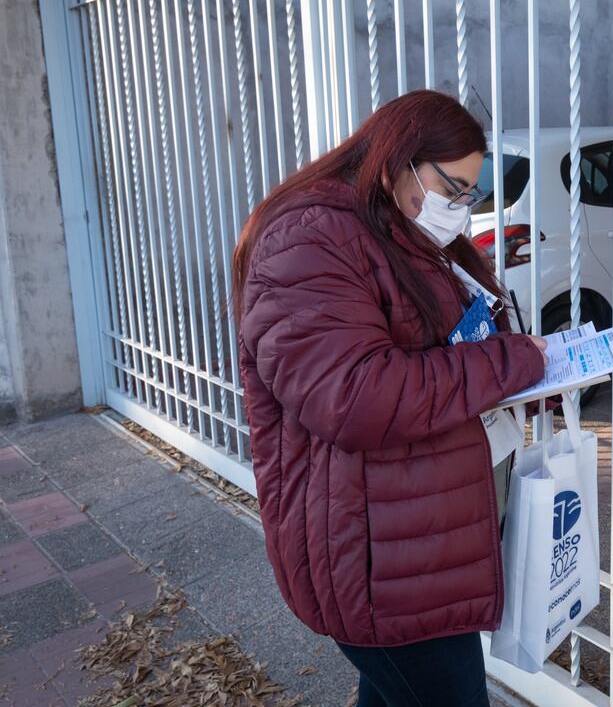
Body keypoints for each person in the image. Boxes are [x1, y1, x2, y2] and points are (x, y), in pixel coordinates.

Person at [233, 90, 549, 707]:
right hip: (376, 554)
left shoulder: (397, 225)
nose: (459, 208)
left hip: (417, 540)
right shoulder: (310, 237)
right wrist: (510, 363)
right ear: (396, 162)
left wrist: (530, 379)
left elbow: (453, 344)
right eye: (451, 188)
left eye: (470, 194)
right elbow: (355, 398)